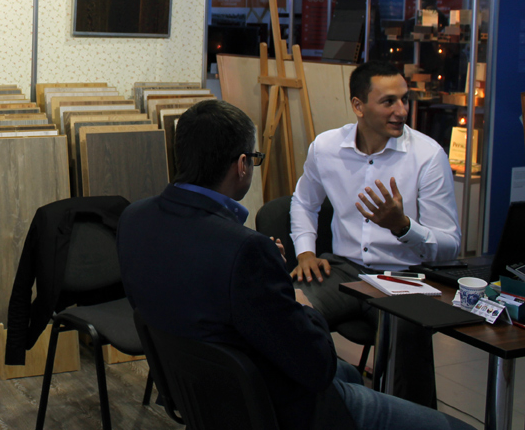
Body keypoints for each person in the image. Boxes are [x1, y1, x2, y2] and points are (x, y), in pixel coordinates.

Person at [117, 99, 471, 430]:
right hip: (275, 408)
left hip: (199, 394)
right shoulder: (244, 249)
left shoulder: (134, 218)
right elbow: (317, 367)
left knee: (349, 374)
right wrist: (294, 297)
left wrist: (264, 271)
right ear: (241, 165)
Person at [290, 60, 460, 406]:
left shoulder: (428, 156)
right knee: (283, 311)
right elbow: (303, 202)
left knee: (406, 347)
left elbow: (450, 246)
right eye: (388, 102)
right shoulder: (326, 147)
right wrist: (305, 252)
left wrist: (403, 227)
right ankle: (319, 408)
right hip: (342, 269)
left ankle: (409, 420)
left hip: (405, 279)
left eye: (404, 99)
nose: (402, 111)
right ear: (359, 106)